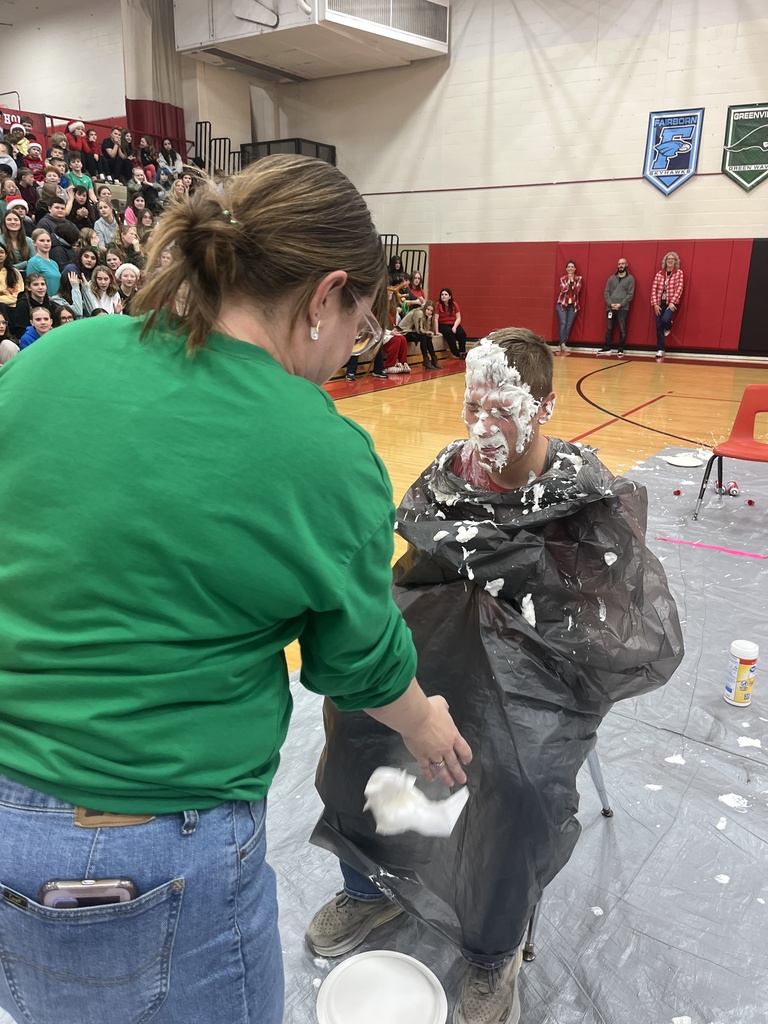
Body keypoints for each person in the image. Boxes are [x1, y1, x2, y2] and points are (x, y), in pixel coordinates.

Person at [0, 152, 470, 1024]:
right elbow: (360, 660)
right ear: (325, 296)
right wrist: (427, 720)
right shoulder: (319, 450)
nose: (347, 354)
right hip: (149, 846)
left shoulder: (51, 358)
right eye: (360, 327)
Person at [308, 328, 684, 1024]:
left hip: (544, 677)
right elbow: (411, 583)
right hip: (444, 655)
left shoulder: (582, 496)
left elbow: (611, 627)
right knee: (359, 725)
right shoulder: (447, 478)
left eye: (500, 410)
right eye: (472, 407)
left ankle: (491, 950)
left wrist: (524, 615)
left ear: (541, 407)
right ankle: (370, 888)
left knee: (515, 781)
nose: (482, 427)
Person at [597, 257, 635, 357]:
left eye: (622, 264)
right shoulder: (611, 278)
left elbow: (630, 294)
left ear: (626, 265)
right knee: (609, 328)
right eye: (619, 264)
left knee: (622, 329)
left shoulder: (630, 279)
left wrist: (620, 304)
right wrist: (611, 304)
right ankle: (607, 348)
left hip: (623, 308)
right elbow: (606, 293)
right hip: (610, 308)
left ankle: (621, 349)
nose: (620, 266)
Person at [651, 251, 684, 361]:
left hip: (671, 303)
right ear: (665, 261)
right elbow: (654, 290)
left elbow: (679, 288)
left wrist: (672, 302)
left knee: (665, 320)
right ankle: (660, 349)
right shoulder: (659, 274)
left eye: (672, 259)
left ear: (675, 261)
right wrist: (655, 304)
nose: (670, 261)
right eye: (668, 259)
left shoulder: (678, 273)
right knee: (658, 326)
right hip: (660, 303)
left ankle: (669, 325)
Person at [395, 300, 440, 369]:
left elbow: (426, 330)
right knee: (424, 336)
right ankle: (426, 359)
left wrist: (428, 321)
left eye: (431, 311)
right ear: (425, 308)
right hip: (404, 332)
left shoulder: (426, 316)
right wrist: (430, 333)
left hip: (411, 331)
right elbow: (420, 331)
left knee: (427, 337)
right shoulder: (419, 313)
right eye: (428, 309)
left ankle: (433, 358)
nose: (429, 312)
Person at [555, 259, 582, 355]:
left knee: (568, 325)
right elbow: (563, 289)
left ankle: (561, 344)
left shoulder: (578, 279)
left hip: (573, 306)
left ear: (575, 269)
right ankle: (563, 345)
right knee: (563, 323)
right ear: (566, 269)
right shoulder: (562, 279)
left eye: (572, 267)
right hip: (562, 304)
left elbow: (577, 290)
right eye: (568, 267)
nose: (570, 268)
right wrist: (568, 282)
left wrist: (572, 281)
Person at [26, 229, 62, 296]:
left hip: (57, 300)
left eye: (48, 241)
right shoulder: (33, 262)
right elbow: (31, 283)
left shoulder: (54, 263)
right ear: (34, 243)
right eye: (42, 240)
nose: (46, 243)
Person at [435, 287, 467, 358]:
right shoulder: (438, 304)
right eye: (442, 294)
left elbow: (458, 318)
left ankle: (463, 352)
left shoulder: (454, 304)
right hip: (442, 324)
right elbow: (435, 319)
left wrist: (455, 327)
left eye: (446, 294)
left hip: (453, 323)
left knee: (462, 333)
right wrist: (436, 331)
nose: (443, 296)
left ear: (449, 296)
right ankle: (456, 352)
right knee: (450, 333)